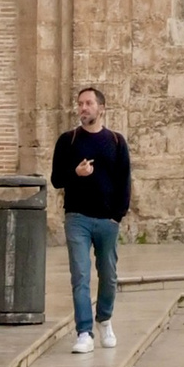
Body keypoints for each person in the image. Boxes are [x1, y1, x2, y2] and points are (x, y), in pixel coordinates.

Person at [50, 84, 133, 351]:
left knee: (108, 276)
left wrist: (117, 216)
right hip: (78, 218)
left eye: (88, 103)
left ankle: (105, 320)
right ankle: (84, 332)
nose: (83, 108)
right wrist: (76, 173)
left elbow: (124, 180)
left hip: (107, 220)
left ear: (101, 108)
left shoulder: (116, 142)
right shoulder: (68, 140)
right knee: (80, 274)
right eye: (80, 104)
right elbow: (55, 180)